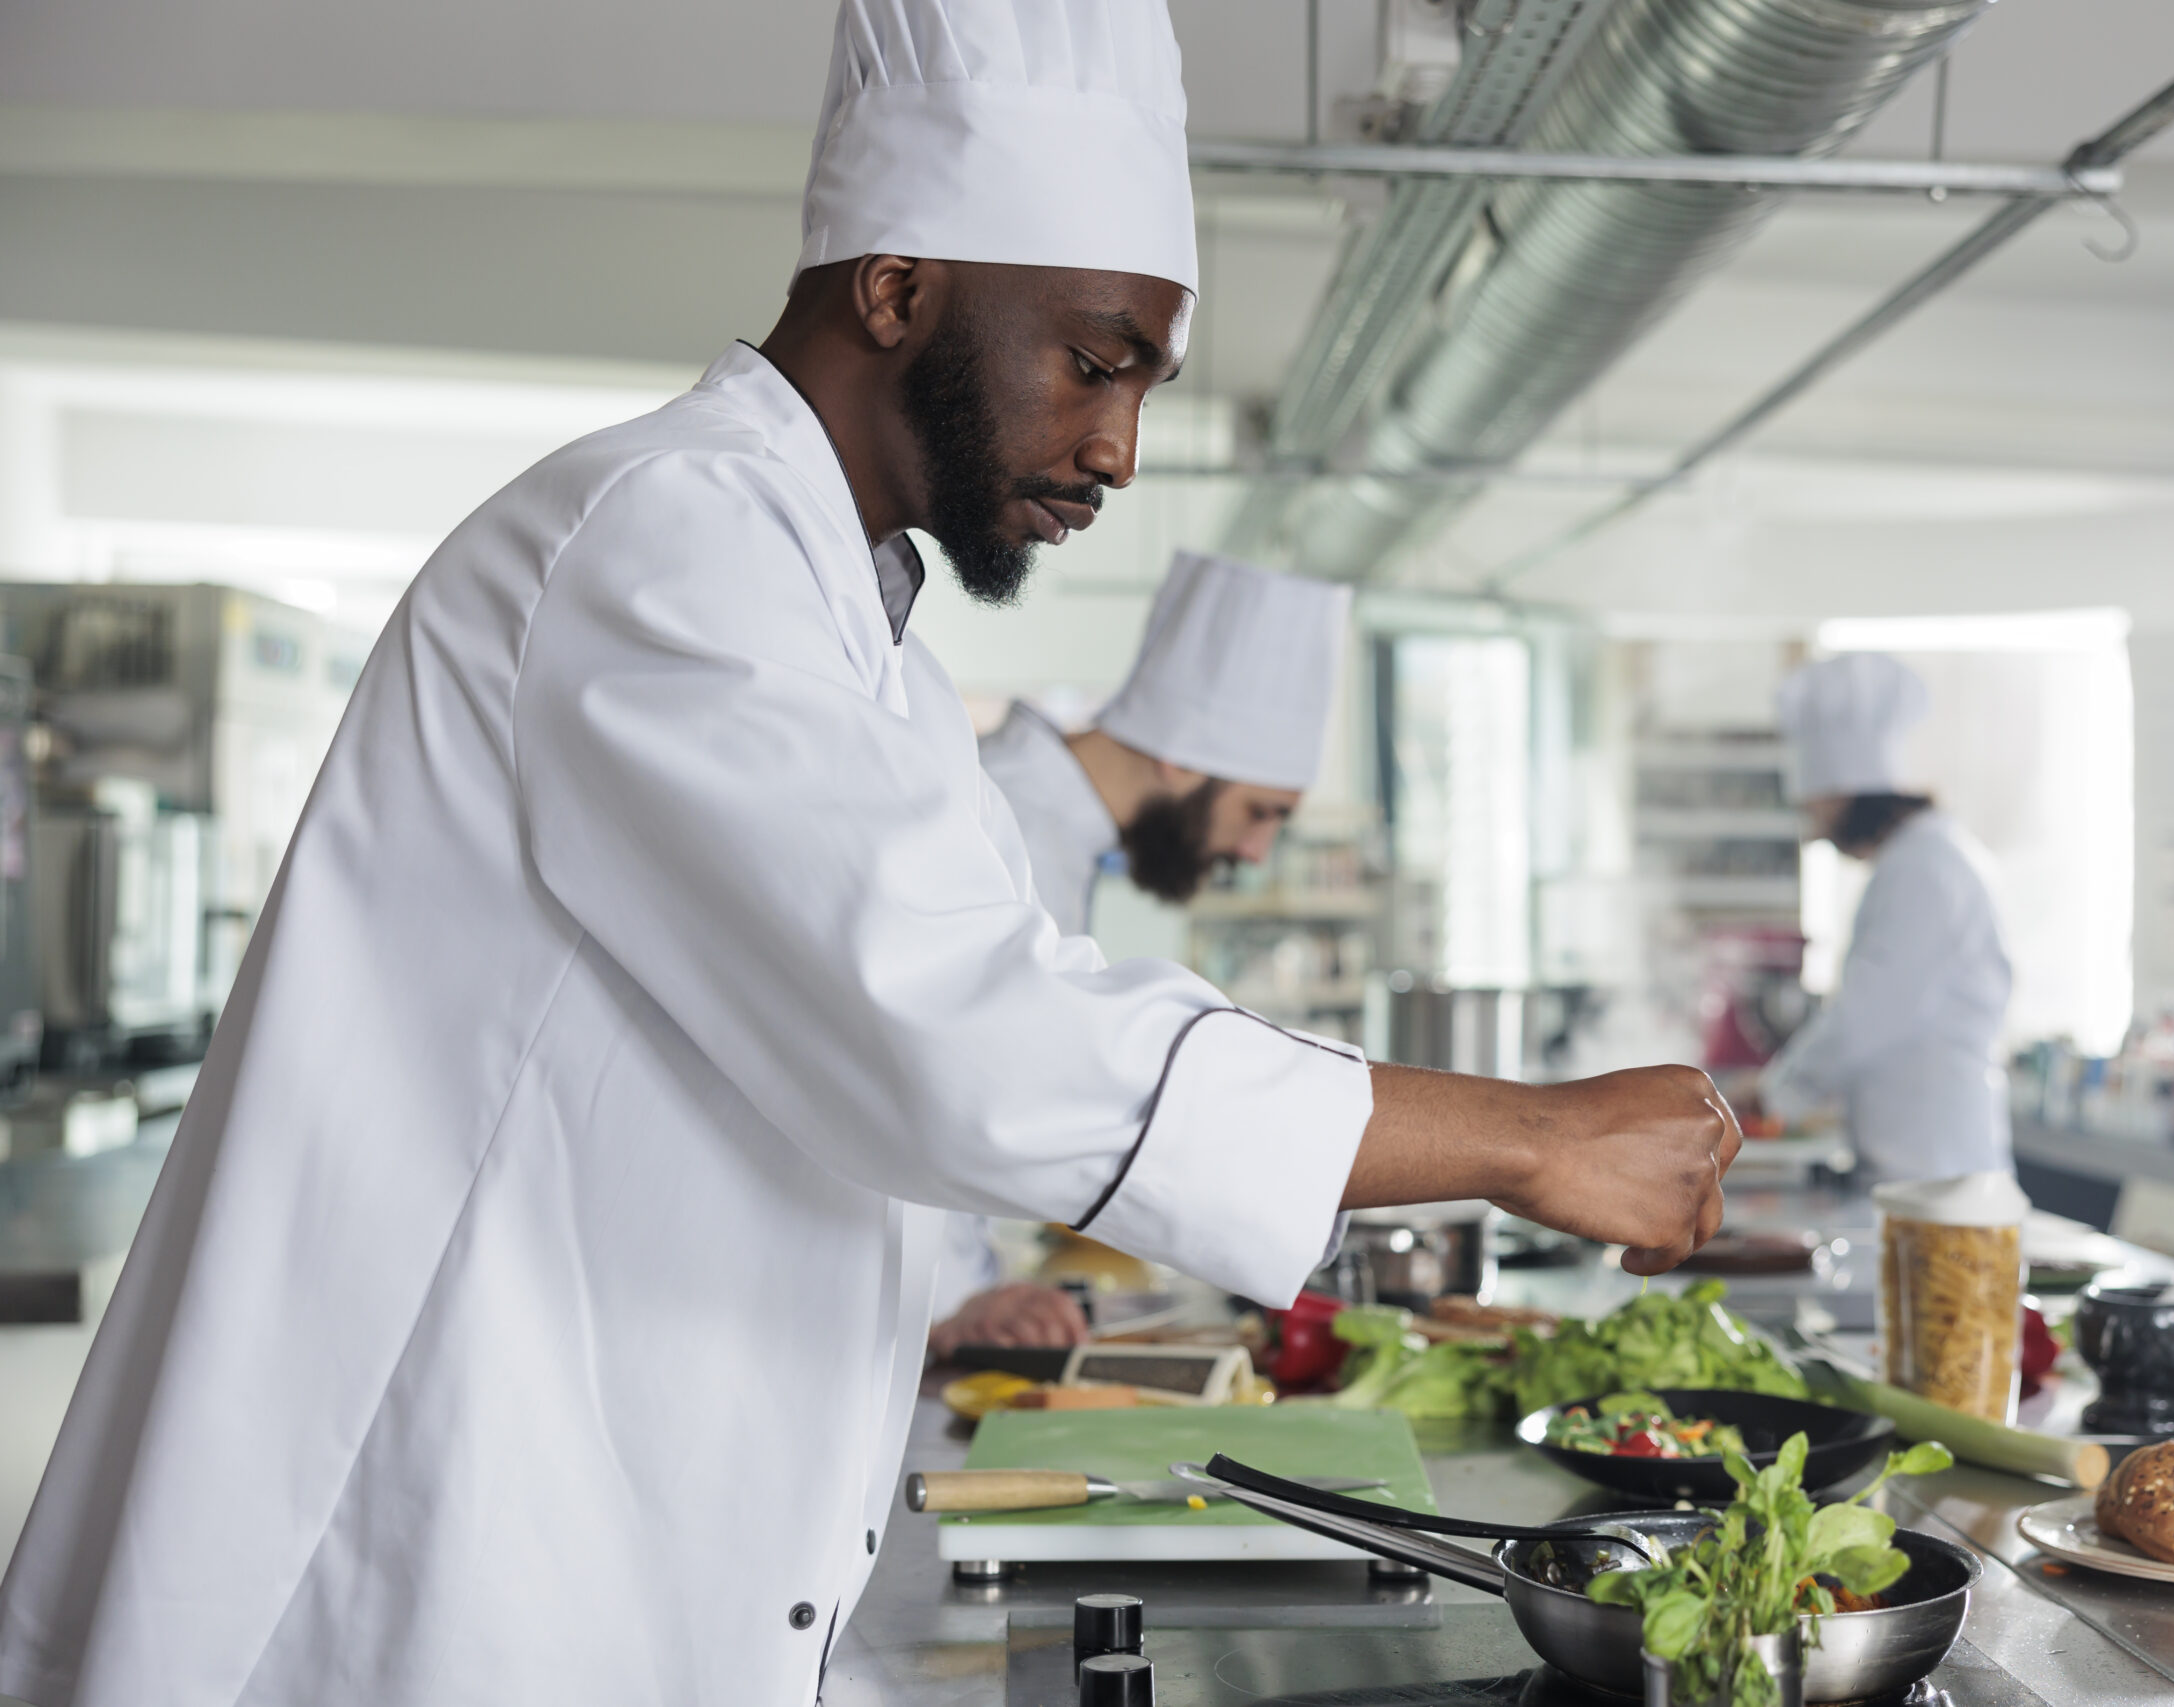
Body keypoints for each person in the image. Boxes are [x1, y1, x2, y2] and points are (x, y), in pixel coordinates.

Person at [0, 3, 1738, 1702]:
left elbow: (830, 1098)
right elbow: (960, 1033)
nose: (1120, 447)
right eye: (1096, 358)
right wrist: (1525, 1134)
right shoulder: (662, 540)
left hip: (637, 1548)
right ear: (896, 286)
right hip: (418, 1573)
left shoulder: (876, 649)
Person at [936, 551, 1349, 1356]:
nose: (1258, 852)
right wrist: (955, 1298)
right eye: (1261, 812)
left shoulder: (1054, 829)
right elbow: (941, 1086)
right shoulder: (1000, 817)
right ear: (1182, 754)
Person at [1757, 653, 2015, 1182]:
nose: (1815, 832)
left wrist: (1775, 1091)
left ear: (1845, 795)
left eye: (1815, 811)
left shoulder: (1922, 870)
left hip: (1935, 1170)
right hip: (1916, 1161)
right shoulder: (1919, 860)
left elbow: (1869, 1013)